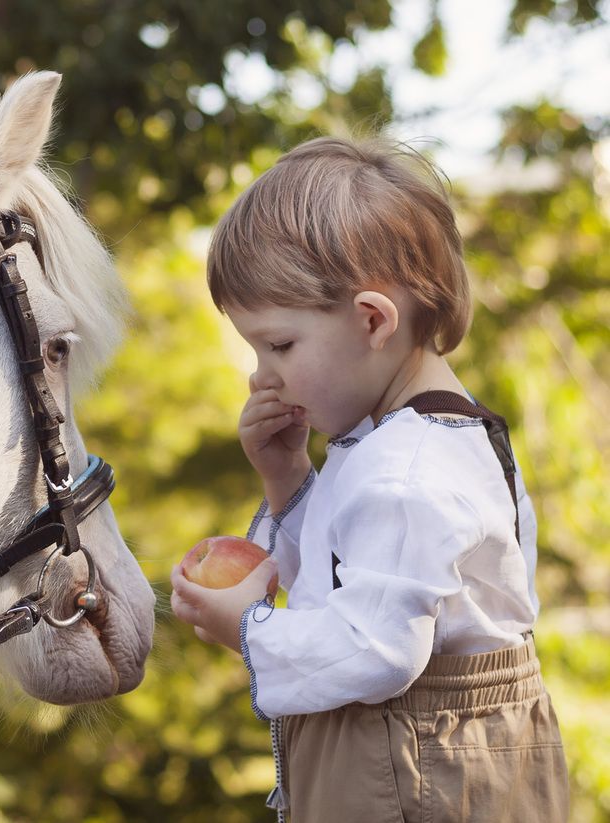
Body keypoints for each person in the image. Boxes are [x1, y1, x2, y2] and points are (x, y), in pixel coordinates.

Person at [170, 136, 570, 822]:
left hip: (419, 774)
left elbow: (376, 649)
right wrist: (287, 474)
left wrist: (253, 630)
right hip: (406, 758)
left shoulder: (408, 471)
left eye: (279, 344)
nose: (260, 374)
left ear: (372, 319)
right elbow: (340, 576)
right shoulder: (392, 442)